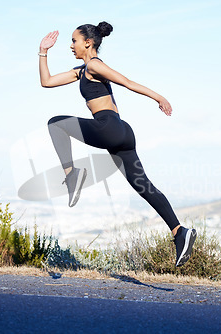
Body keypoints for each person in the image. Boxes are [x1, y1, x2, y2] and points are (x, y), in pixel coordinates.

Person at [38, 22, 196, 267]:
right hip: (122, 131)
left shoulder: (93, 65)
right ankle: (179, 231)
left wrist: (159, 97)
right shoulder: (82, 70)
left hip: (107, 128)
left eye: (74, 41)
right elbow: (46, 82)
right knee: (143, 186)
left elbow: (126, 82)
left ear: (88, 43)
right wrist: (43, 51)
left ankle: (72, 175)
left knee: (56, 123)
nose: (71, 46)